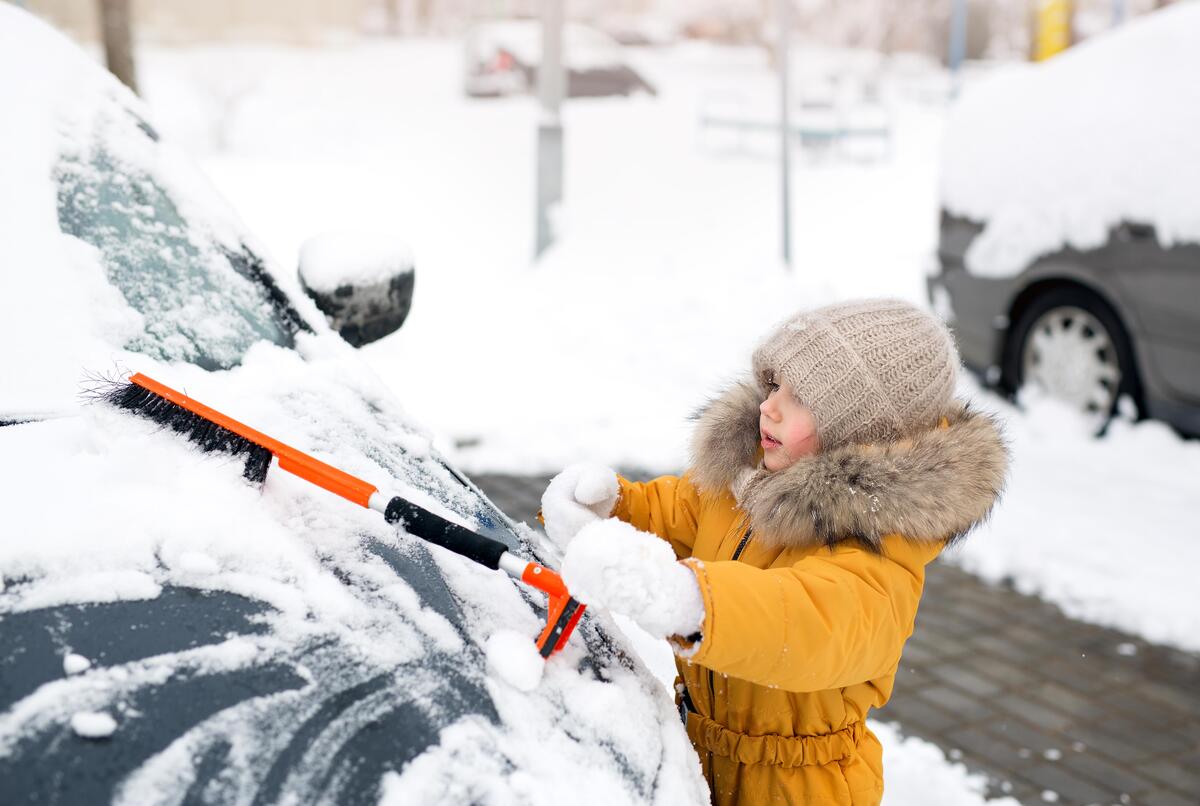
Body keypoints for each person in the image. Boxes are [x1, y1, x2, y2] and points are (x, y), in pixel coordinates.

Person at [540, 299, 1008, 805]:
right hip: (698, 758)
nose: (770, 406)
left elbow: (810, 620)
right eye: (774, 385)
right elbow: (681, 512)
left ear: (858, 432)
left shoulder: (880, 556)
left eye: (800, 397)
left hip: (797, 788)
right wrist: (612, 507)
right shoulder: (752, 483)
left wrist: (692, 600)